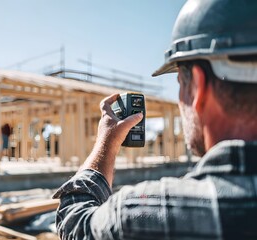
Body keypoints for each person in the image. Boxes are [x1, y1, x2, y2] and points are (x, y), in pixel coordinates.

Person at [54, 0, 257, 239]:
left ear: (198, 88)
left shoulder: (137, 217)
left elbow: (75, 223)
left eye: (181, 83)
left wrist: (105, 144)